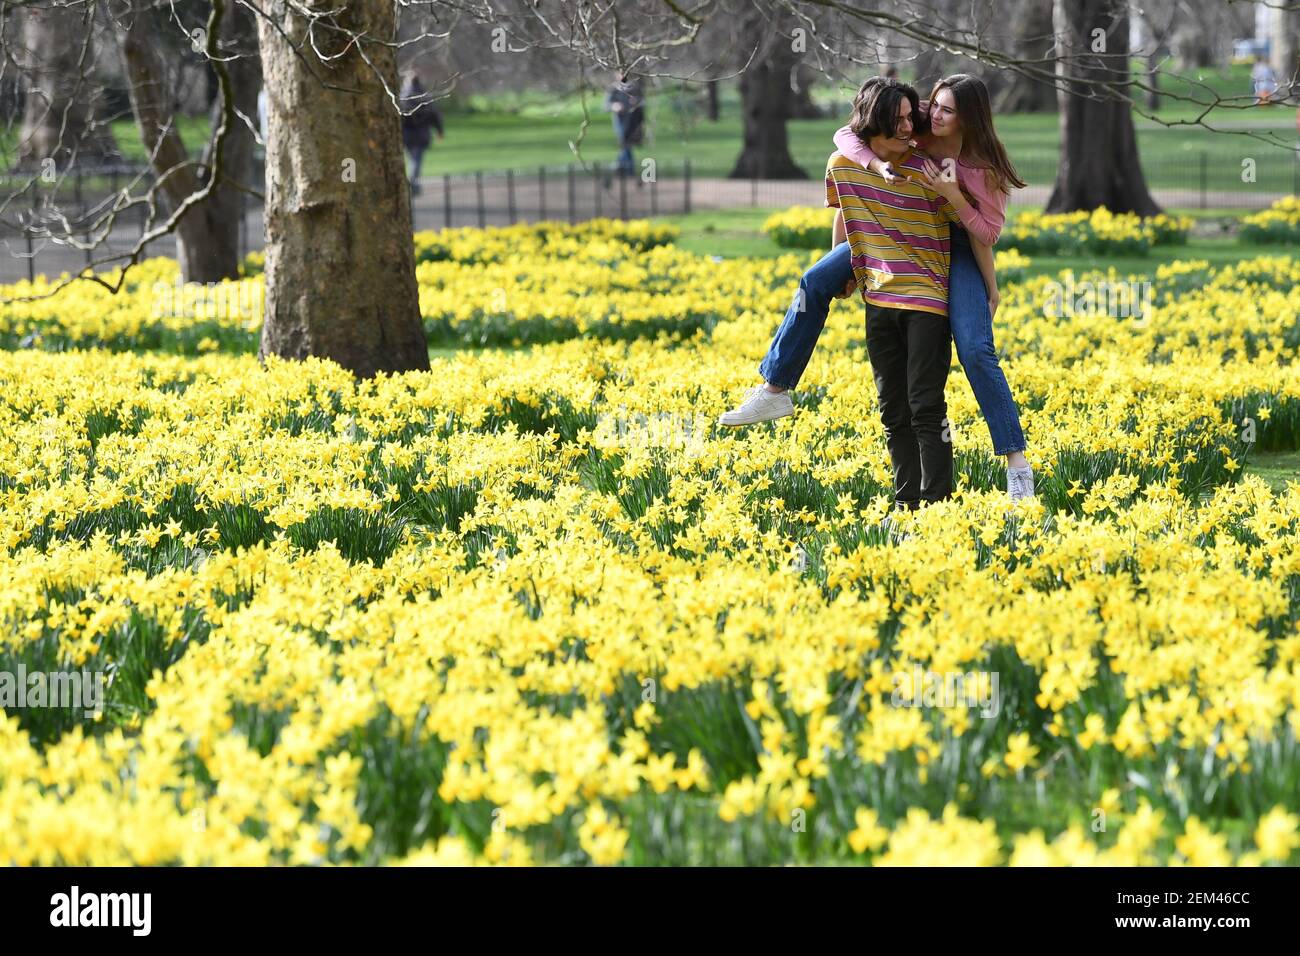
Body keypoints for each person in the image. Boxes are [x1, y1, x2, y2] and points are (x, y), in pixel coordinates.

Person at [719, 73, 1035, 501]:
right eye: (934, 105)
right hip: (886, 230)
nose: (931, 114)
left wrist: (989, 283)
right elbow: (847, 136)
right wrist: (848, 252)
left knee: (976, 349)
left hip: (956, 241)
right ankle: (774, 389)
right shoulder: (915, 121)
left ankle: (1016, 464)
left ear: (970, 118)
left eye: (947, 110)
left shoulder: (982, 168)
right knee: (814, 280)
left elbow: (985, 234)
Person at [823, 78, 960, 509]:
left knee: (925, 405)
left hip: (926, 300)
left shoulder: (929, 167)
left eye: (909, 116)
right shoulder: (843, 164)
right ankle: (906, 503)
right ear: (875, 120)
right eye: (898, 118)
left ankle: (938, 504)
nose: (908, 125)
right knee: (892, 410)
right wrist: (839, 268)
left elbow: (968, 222)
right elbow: (846, 212)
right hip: (877, 299)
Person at [400, 72, 444, 196]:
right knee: (416, 160)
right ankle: (413, 184)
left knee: (411, 158)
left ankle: (411, 183)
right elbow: (435, 115)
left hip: (407, 134)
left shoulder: (402, 97)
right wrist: (439, 131)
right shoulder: (425, 97)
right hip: (422, 133)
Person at [604, 72, 645, 186]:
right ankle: (629, 171)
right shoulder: (613, 89)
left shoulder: (635, 88)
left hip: (632, 120)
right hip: (619, 120)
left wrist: (636, 102)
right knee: (625, 144)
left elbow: (642, 102)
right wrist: (614, 106)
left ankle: (619, 169)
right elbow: (606, 105)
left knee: (626, 145)